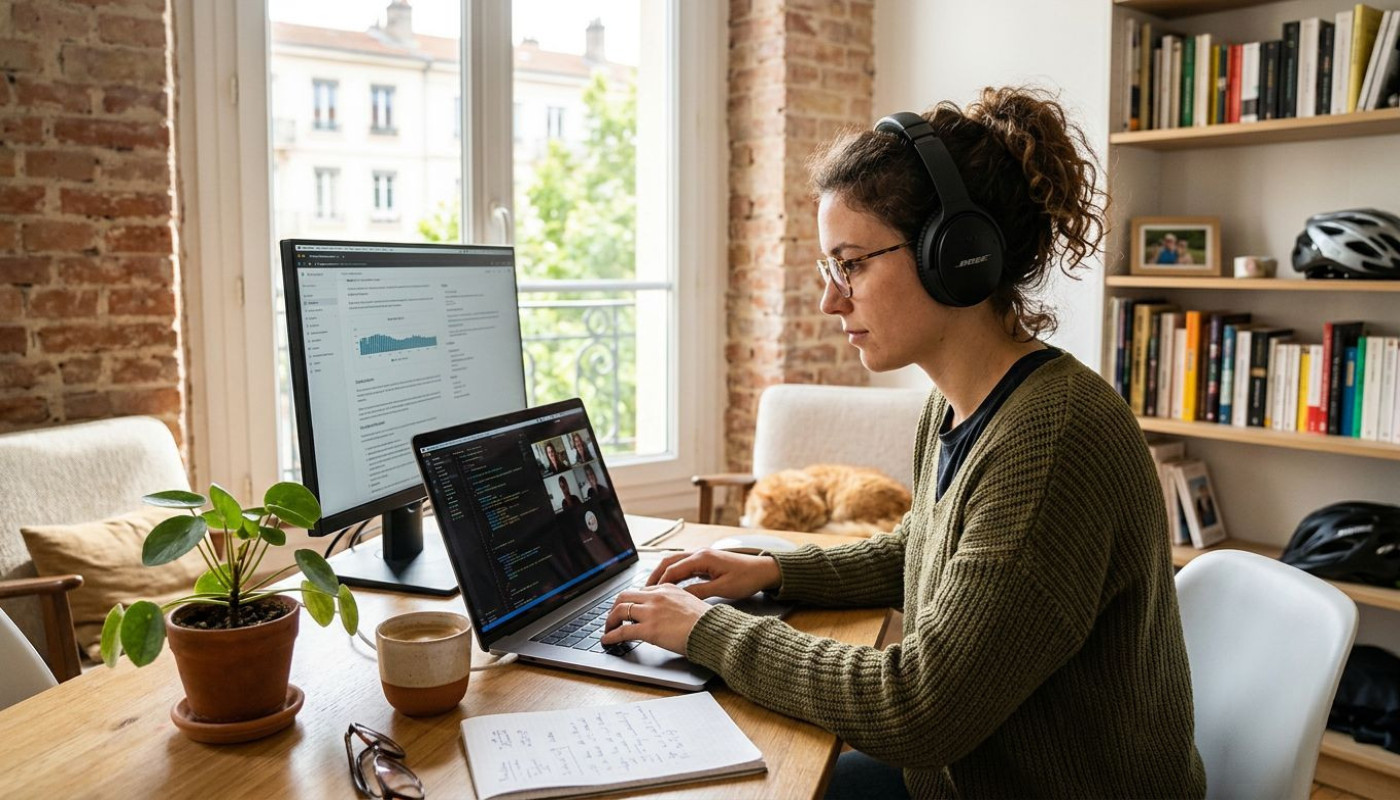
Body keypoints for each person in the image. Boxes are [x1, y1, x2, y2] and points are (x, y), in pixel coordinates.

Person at [602, 86, 1206, 798]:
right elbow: (920, 550)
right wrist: (769, 569)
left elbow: (919, 707)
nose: (832, 299)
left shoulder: (1054, 441)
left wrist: (709, 632)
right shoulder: (954, 407)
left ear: (956, 254)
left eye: (850, 263)